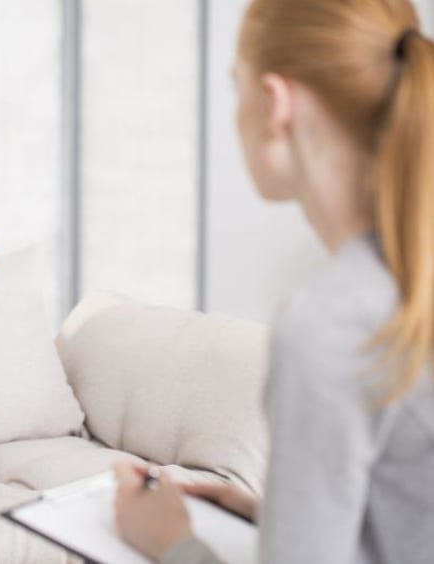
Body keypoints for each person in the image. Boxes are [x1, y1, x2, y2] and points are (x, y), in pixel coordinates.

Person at [114, 1, 434, 562]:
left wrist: (169, 542)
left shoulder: (332, 323)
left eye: (235, 87)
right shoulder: (404, 287)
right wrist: (280, 515)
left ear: (275, 102)